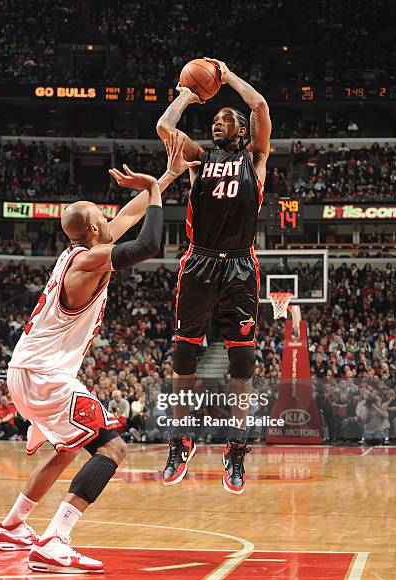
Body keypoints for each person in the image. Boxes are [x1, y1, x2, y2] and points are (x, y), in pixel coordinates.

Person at [0, 132, 199, 573]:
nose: (111, 217)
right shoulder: (89, 261)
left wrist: (168, 177)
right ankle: (56, 539)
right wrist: (157, 193)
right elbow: (148, 245)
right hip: (45, 375)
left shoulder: (84, 251)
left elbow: (130, 215)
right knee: (113, 449)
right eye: (103, 217)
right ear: (91, 230)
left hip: (28, 370)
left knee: (67, 450)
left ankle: (12, 526)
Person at [157, 58, 271, 494]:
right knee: (183, 358)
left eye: (227, 118)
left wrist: (224, 75)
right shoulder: (199, 158)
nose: (218, 121)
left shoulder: (256, 160)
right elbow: (165, 129)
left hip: (240, 264)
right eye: (216, 118)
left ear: (242, 130)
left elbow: (258, 103)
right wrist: (189, 92)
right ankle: (179, 440)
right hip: (199, 261)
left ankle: (236, 451)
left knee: (242, 363)